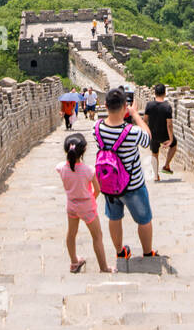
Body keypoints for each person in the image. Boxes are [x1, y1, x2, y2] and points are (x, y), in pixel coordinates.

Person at [95, 87, 158, 260]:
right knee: (144, 219)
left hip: (109, 184)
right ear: (125, 107)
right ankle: (147, 252)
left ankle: (120, 252)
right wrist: (136, 115)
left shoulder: (97, 128)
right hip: (133, 185)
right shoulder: (132, 132)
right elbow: (147, 138)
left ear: (106, 106)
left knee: (114, 218)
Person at [57, 134, 109, 273]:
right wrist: (91, 199)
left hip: (71, 206)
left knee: (71, 234)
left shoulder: (61, 168)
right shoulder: (89, 170)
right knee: (97, 236)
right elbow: (97, 190)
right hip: (87, 207)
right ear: (84, 150)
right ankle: (104, 267)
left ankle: (74, 262)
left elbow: (64, 169)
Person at [144, 84, 176, 181]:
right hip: (164, 134)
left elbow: (145, 120)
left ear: (155, 93)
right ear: (165, 93)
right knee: (174, 145)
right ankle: (166, 165)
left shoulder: (149, 105)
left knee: (154, 154)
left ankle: (156, 175)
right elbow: (169, 125)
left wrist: (147, 133)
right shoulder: (167, 107)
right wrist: (171, 139)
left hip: (153, 134)